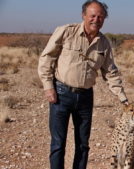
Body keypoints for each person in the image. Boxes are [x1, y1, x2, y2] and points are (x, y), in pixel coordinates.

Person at [38, 1, 128, 168]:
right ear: (83, 15)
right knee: (58, 144)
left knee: (83, 144)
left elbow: (110, 72)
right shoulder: (66, 31)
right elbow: (47, 58)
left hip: (86, 97)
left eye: (100, 16)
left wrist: (122, 98)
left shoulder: (104, 43)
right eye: (92, 15)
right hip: (61, 93)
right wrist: (48, 86)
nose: (96, 19)